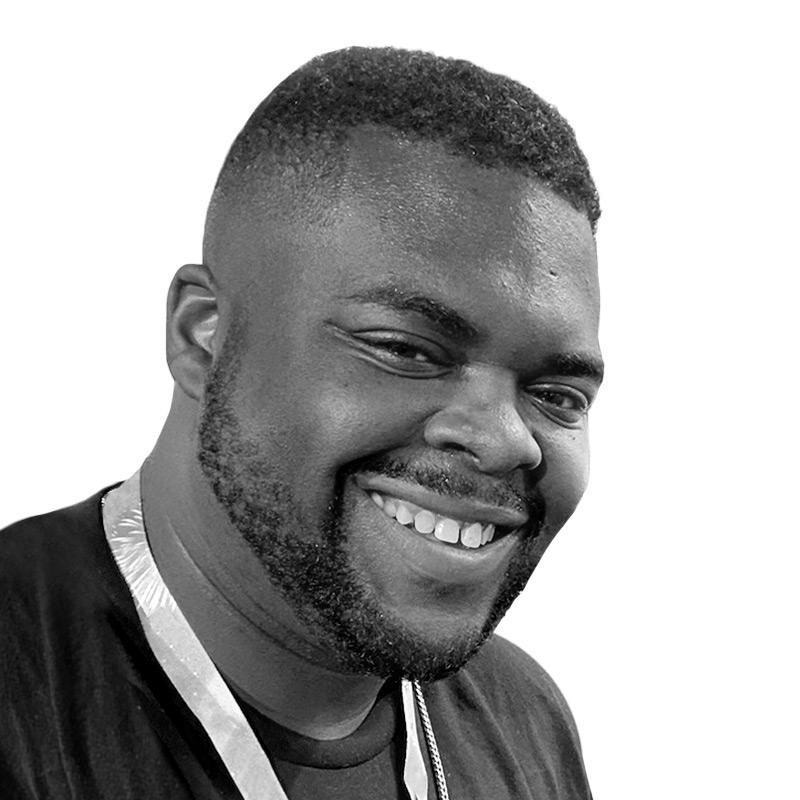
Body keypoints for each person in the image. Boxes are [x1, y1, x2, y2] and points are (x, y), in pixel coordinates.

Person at [0, 46, 603, 799]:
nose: (504, 438)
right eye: (406, 350)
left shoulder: (524, 721)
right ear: (202, 335)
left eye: (557, 394)